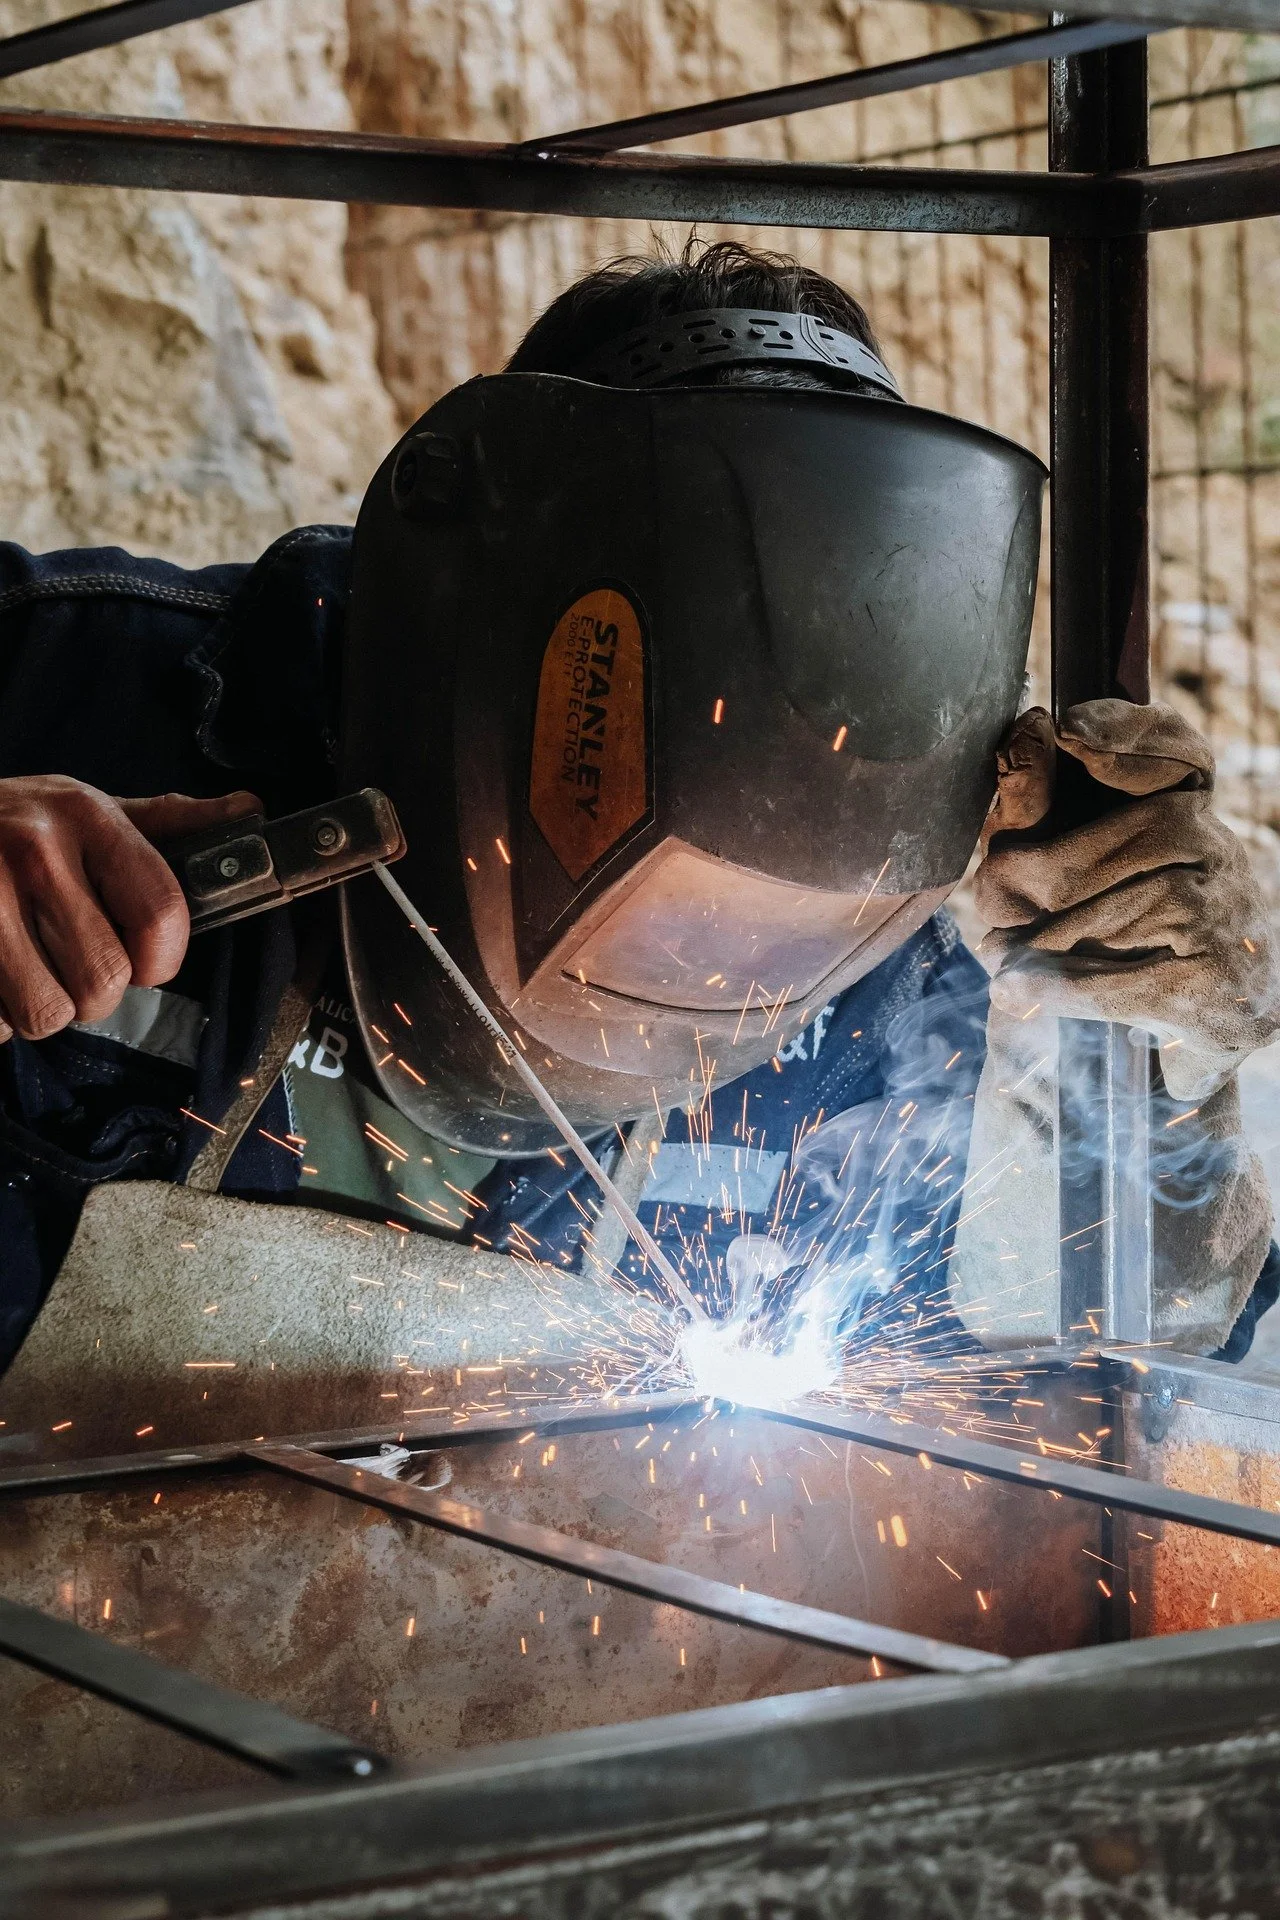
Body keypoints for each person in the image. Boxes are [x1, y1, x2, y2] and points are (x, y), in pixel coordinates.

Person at [0, 239, 1276, 1376]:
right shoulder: (69, 688)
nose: (717, 959)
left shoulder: (893, 975)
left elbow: (1144, 1351)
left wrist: (1156, 1059)